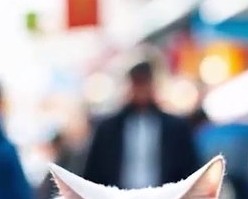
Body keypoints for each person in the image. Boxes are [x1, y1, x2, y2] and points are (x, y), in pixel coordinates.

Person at [81, 61, 201, 189]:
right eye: (137, 84)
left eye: (145, 83)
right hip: (118, 197)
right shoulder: (108, 128)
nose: (141, 90)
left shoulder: (176, 128)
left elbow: (188, 169)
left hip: (162, 198)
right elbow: (94, 171)